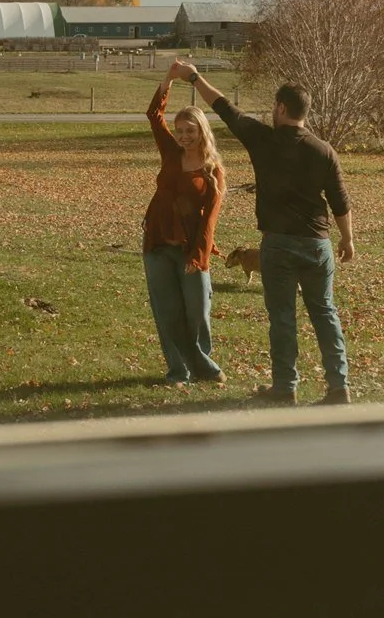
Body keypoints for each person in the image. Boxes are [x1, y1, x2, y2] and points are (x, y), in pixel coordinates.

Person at [170, 60, 355, 404]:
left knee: (283, 318)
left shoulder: (263, 140)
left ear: (282, 108)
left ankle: (285, 387)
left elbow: (224, 108)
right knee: (325, 313)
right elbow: (340, 201)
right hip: (318, 244)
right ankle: (338, 387)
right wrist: (347, 238)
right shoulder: (324, 150)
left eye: (274, 106)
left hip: (280, 245)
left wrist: (193, 76)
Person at [142, 63, 227, 386]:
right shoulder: (170, 152)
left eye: (190, 130)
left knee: (197, 314)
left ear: (202, 131)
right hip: (157, 243)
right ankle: (178, 371)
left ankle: (202, 367)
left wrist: (199, 256)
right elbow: (153, 116)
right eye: (180, 130)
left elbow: (211, 219)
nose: (184, 136)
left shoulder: (212, 171)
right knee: (167, 313)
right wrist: (168, 79)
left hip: (192, 250)